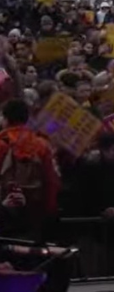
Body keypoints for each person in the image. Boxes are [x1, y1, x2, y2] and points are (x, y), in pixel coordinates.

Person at [0, 99, 59, 240]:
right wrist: (49, 210)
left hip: (4, 211)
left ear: (6, 119)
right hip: (33, 211)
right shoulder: (41, 145)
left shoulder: (2, 144)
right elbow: (51, 180)